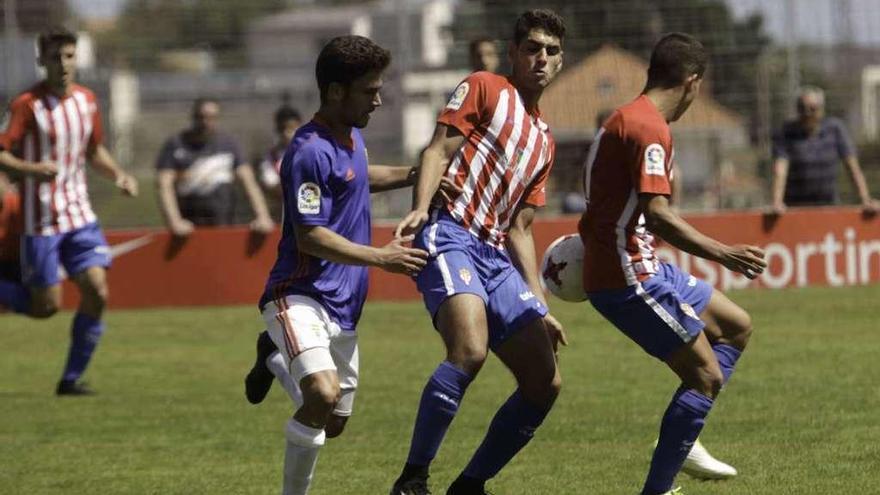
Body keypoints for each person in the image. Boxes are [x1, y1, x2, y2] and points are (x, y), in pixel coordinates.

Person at [578, 33, 767, 495]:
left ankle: (687, 434)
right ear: (692, 81)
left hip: (639, 262)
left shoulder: (626, 118)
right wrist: (726, 254)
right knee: (705, 376)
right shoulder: (649, 128)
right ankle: (658, 487)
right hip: (627, 275)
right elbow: (659, 214)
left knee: (736, 325)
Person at [391, 9, 567, 495]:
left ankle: (469, 485)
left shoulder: (545, 141)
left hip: (494, 255)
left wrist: (539, 303)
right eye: (532, 48)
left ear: (560, 63)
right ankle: (412, 480)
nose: (541, 58)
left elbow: (521, 229)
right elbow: (436, 151)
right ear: (514, 53)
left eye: (551, 52)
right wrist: (421, 208)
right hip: (449, 233)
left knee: (544, 382)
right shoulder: (485, 87)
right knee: (469, 351)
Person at [247, 35, 431, 495]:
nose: (379, 99)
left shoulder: (350, 138)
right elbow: (310, 235)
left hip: (345, 305)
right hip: (300, 295)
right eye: (370, 90)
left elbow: (362, 177)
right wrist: (381, 258)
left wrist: (417, 174)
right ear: (335, 92)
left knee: (334, 422)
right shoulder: (308, 151)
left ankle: (273, 358)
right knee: (322, 394)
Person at [0, 27, 139, 395]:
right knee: (44, 307)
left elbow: (94, 151)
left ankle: (71, 379)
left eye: (69, 56)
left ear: (77, 58)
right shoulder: (26, 104)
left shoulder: (88, 100)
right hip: (40, 220)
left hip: (80, 216)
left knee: (98, 291)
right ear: (41, 60)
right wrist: (31, 170)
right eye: (55, 57)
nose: (62, 64)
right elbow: (2, 154)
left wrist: (119, 175)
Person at [155, 97, 274, 236]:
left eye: (211, 117)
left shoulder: (228, 144)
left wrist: (263, 216)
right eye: (201, 117)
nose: (205, 122)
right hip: (188, 226)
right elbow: (164, 185)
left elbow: (248, 181)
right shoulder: (176, 144)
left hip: (223, 222)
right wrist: (175, 221)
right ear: (193, 117)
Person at [770, 85, 878, 215]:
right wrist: (777, 202)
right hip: (795, 208)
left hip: (829, 206)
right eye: (802, 108)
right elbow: (780, 170)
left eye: (812, 109)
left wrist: (865, 199)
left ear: (822, 109)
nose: (807, 113)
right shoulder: (785, 132)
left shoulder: (835, 129)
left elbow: (852, 167)